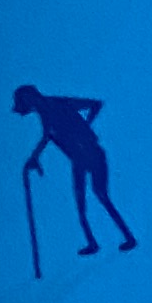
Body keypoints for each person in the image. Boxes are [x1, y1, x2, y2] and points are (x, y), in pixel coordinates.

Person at [14, 86, 137, 255]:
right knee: (80, 201)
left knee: (101, 195)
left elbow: (95, 104)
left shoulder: (60, 103)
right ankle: (92, 242)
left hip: (93, 153)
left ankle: (128, 237)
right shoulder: (44, 113)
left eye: (26, 102)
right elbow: (47, 136)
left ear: (30, 97)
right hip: (78, 159)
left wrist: (85, 127)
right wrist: (34, 157)